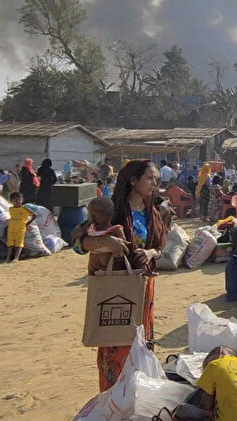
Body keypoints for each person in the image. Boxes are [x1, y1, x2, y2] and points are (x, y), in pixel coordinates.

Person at [74, 159, 167, 392]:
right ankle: (114, 398)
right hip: (116, 288)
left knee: (141, 343)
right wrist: (105, 240)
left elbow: (160, 245)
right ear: (133, 180)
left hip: (144, 286)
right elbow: (77, 243)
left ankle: (138, 397)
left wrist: (151, 251)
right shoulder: (111, 210)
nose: (154, 183)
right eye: (149, 178)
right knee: (115, 340)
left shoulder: (151, 212)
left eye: (156, 179)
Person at [72, 197, 125, 275]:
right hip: (94, 267)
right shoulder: (90, 228)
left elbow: (124, 245)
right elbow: (74, 235)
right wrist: (85, 226)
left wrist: (118, 259)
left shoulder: (115, 229)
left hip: (111, 267)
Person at [6, 192, 36, 263]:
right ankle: (7, 258)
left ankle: (16, 258)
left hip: (20, 229)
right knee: (10, 244)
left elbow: (34, 215)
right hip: (11, 229)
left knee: (18, 244)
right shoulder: (11, 209)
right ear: (11, 201)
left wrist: (28, 223)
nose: (18, 202)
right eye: (16, 200)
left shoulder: (24, 209)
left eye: (19, 200)